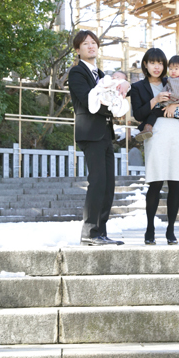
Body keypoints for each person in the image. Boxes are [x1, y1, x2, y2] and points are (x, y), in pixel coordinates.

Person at [130, 47, 179, 246]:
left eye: (161, 63)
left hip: (176, 132)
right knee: (156, 181)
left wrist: (175, 105)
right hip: (155, 134)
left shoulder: (173, 81)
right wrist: (155, 100)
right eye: (153, 63)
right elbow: (138, 114)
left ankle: (171, 230)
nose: (157, 67)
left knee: (175, 181)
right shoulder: (138, 88)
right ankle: (150, 227)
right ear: (145, 64)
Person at [68, 30, 130, 246]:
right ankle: (90, 233)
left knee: (107, 185)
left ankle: (100, 232)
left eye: (93, 43)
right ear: (78, 49)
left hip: (105, 134)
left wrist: (123, 88)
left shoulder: (102, 74)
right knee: (97, 182)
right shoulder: (76, 73)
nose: (91, 46)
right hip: (90, 133)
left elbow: (112, 96)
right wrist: (112, 106)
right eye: (86, 44)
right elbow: (89, 101)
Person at [136, 54, 179, 141]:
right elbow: (164, 90)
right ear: (145, 64)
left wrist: (176, 104)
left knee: (156, 112)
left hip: (178, 111)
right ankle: (147, 128)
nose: (173, 71)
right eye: (170, 69)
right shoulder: (169, 80)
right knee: (154, 111)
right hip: (165, 109)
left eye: (176, 68)